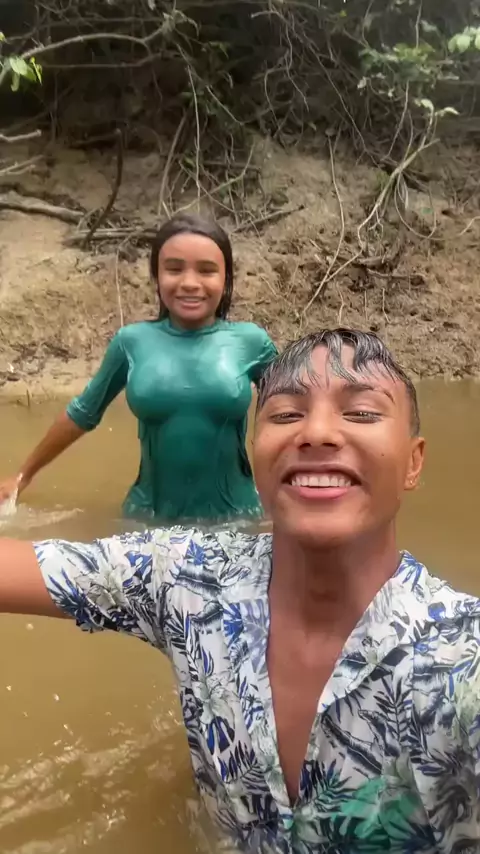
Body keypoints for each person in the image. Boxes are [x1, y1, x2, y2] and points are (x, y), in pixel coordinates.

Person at [1, 328, 479, 853]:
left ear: (414, 462)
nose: (317, 432)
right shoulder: (188, 579)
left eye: (361, 412)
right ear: (255, 453)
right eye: (286, 414)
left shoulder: (458, 656)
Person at [0, 213, 277, 523]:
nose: (189, 283)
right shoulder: (131, 342)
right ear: (156, 276)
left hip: (237, 521)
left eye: (206, 270)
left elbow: (300, 411)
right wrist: (22, 477)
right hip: (146, 522)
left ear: (225, 279)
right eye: (174, 269)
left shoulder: (251, 342)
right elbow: (82, 413)